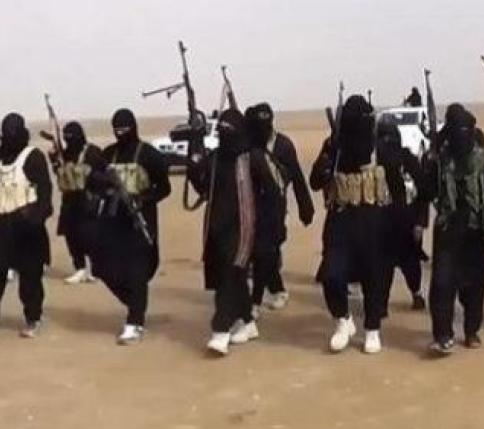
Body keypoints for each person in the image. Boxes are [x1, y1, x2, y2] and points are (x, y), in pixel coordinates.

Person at [189, 109, 281, 355]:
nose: (225, 135)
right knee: (231, 277)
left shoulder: (252, 158)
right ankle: (248, 323)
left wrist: (270, 231)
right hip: (217, 230)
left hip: (244, 231)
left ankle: (220, 330)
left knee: (228, 278)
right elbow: (202, 186)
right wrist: (194, 154)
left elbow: (273, 194)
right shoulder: (216, 158)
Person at [422, 104, 484, 354]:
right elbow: (426, 192)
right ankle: (443, 335)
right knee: (442, 284)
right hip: (448, 231)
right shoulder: (440, 158)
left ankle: (471, 330)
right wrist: (428, 163)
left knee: (475, 285)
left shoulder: (483, 157)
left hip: (477, 231)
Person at [310, 95, 390, 354]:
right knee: (331, 275)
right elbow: (315, 181)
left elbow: (397, 185)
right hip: (340, 220)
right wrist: (326, 161)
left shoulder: (379, 148)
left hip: (373, 221)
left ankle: (372, 329)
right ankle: (342, 320)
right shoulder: (334, 147)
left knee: (373, 278)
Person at [86, 109, 171, 345]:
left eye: (125, 129)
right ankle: (135, 302)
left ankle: (135, 322)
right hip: (113, 222)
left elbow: (164, 187)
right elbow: (92, 181)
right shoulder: (108, 155)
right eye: (117, 130)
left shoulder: (149, 155)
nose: (120, 133)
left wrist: (144, 198)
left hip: (139, 221)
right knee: (103, 268)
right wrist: (104, 184)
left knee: (137, 272)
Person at [244, 103, 314, 318]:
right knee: (263, 254)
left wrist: (305, 207)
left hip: (274, 209)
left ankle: (257, 301)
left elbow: (297, 177)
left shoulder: (283, 145)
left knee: (265, 252)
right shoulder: (248, 145)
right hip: (250, 208)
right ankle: (277, 289)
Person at [0, 113, 53, 337]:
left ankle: (33, 318)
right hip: (2, 226)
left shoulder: (33, 157)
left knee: (30, 277)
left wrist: (36, 217)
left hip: (27, 226)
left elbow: (45, 193)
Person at [375, 120, 427, 315]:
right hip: (383, 222)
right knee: (382, 267)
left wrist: (420, 221)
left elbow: (423, 191)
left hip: (406, 222)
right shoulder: (374, 163)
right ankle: (381, 304)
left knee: (409, 263)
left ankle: (416, 294)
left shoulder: (407, 159)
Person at [50, 122, 103, 284]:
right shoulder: (64, 154)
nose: (69, 141)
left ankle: (95, 269)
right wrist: (54, 159)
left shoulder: (92, 152)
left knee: (90, 236)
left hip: (87, 201)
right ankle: (80, 268)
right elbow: (60, 173)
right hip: (69, 201)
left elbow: (102, 174)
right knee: (71, 236)